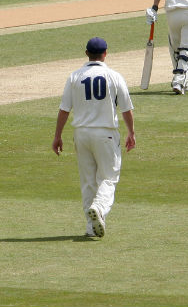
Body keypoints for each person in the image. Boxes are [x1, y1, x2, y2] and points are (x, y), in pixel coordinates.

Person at [52, 37, 136, 238]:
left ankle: (91, 228)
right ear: (105, 53)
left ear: (86, 53)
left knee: (88, 181)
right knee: (108, 177)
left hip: (81, 135)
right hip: (105, 134)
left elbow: (64, 110)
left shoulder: (74, 76)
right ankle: (99, 208)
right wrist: (131, 132)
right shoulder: (114, 76)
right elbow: (126, 109)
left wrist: (57, 136)